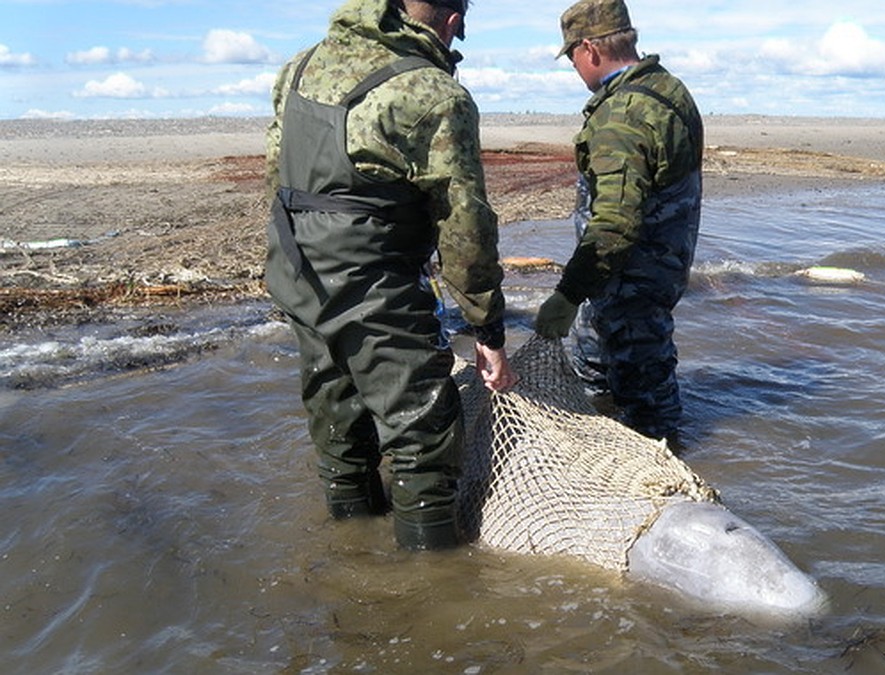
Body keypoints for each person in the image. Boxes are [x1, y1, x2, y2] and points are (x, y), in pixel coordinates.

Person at [264, 0, 517, 552]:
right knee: (423, 430)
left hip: (296, 269)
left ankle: (350, 555)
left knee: (336, 413)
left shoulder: (300, 67)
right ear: (453, 21)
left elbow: (276, 170)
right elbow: (465, 228)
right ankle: (430, 594)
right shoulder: (435, 94)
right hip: (372, 281)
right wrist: (488, 331)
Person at [535, 0, 704, 448]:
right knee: (602, 371)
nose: (573, 67)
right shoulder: (669, 90)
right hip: (657, 273)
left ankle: (663, 488)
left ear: (590, 49)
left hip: (630, 282)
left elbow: (614, 222)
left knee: (646, 404)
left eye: (572, 56)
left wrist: (567, 295)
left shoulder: (622, 116)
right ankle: (607, 446)